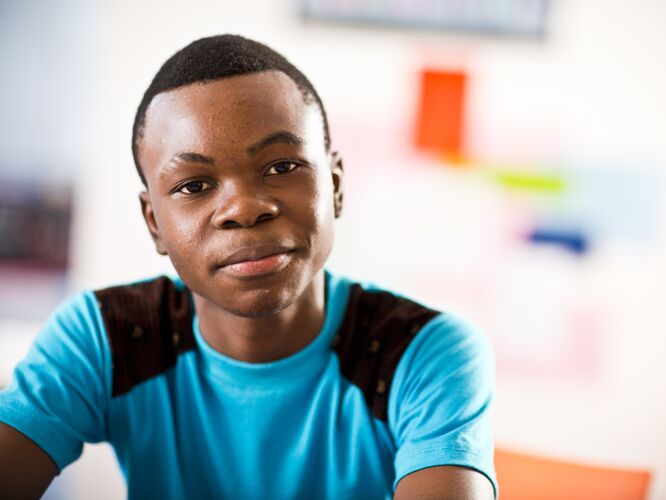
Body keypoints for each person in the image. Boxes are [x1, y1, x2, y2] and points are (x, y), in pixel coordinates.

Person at [0, 34, 497, 499]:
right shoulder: (108, 337)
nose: (243, 208)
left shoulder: (419, 354)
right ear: (155, 223)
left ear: (336, 186)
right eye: (194, 185)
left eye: (282, 167)